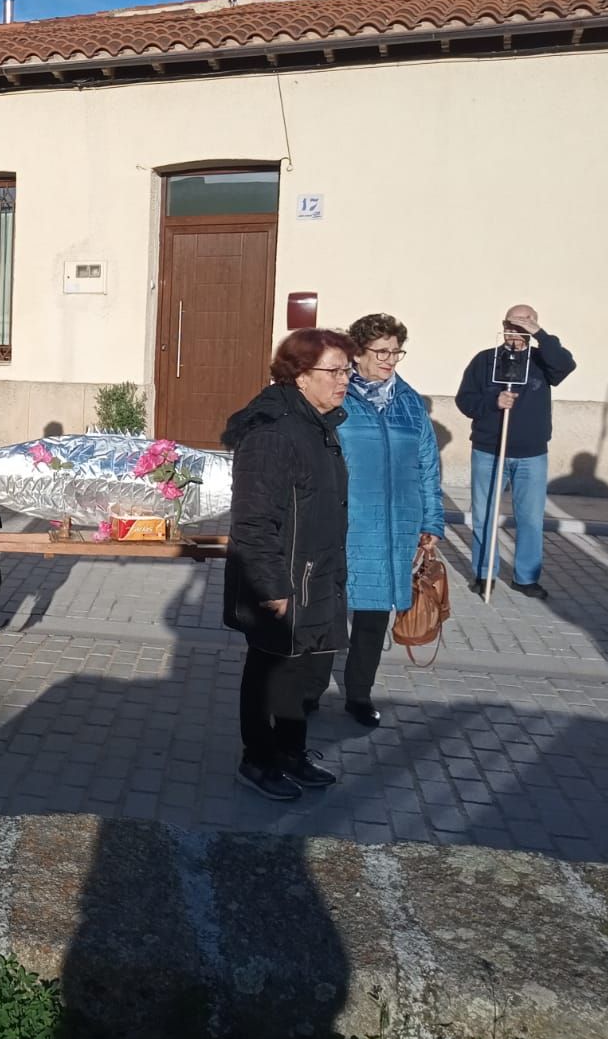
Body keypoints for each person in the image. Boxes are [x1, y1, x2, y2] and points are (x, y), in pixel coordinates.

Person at [222, 328, 354, 801]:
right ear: (301, 376)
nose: (344, 380)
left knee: (302, 676)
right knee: (268, 673)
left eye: (347, 370)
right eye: (334, 371)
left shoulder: (320, 427)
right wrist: (272, 587)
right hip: (280, 581)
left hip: (315, 575)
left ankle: (291, 753)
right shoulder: (273, 434)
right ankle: (257, 759)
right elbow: (253, 522)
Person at [332, 313, 444, 729]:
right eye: (381, 351)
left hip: (396, 525)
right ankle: (306, 691)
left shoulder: (411, 402)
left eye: (396, 351)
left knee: (374, 614)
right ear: (357, 352)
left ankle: (358, 694)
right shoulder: (337, 397)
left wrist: (431, 520)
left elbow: (428, 465)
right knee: (328, 609)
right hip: (346, 521)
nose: (390, 360)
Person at [456, 304, 575, 600]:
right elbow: (465, 401)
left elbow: (565, 366)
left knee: (531, 518)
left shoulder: (542, 359)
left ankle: (526, 578)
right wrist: (493, 402)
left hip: (531, 454)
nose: (517, 331)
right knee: (485, 515)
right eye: (512, 324)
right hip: (489, 450)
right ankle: (484, 574)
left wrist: (541, 335)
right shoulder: (485, 361)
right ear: (503, 325)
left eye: (526, 324)